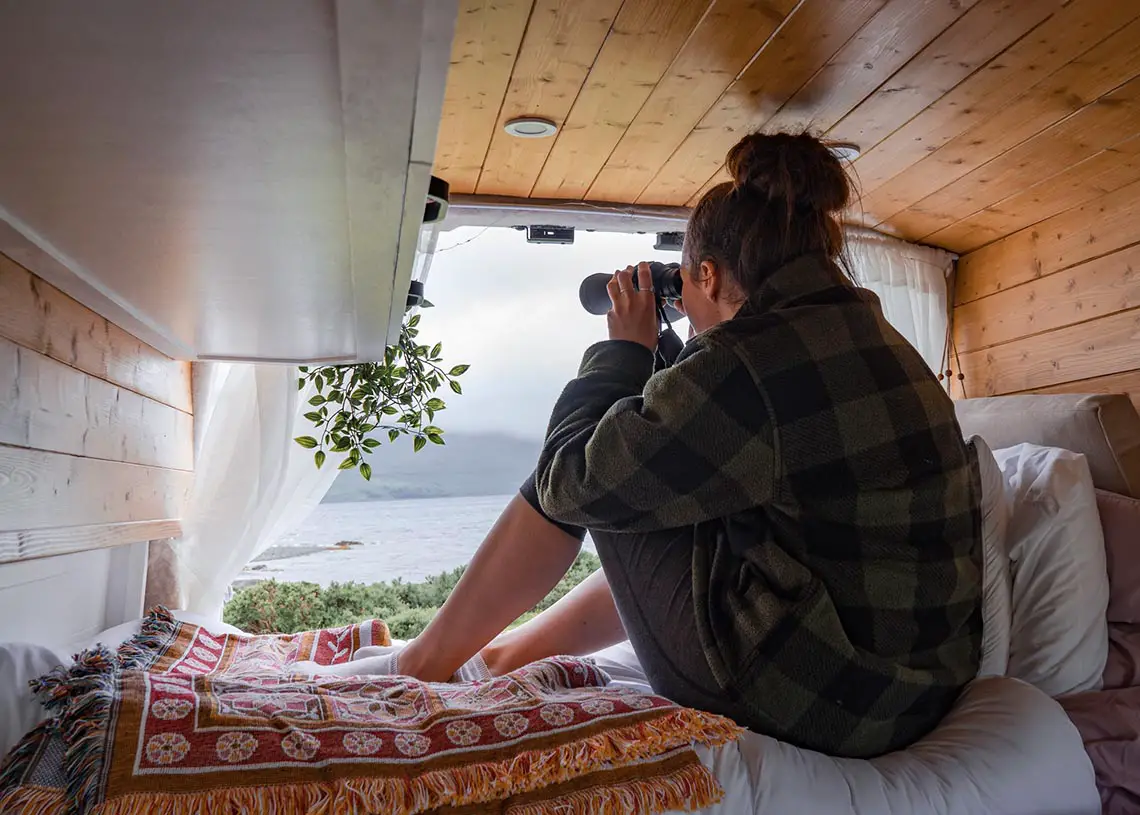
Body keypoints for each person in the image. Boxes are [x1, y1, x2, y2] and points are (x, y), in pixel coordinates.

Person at [326, 131, 983, 759]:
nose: (691, 313)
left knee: (600, 467)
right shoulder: (873, 337)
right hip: (918, 689)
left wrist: (622, 354)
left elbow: (572, 477)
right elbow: (723, 432)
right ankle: (499, 657)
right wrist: (665, 361)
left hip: (824, 703)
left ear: (707, 272)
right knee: (664, 486)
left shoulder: (750, 361)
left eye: (690, 292)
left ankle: (421, 665)